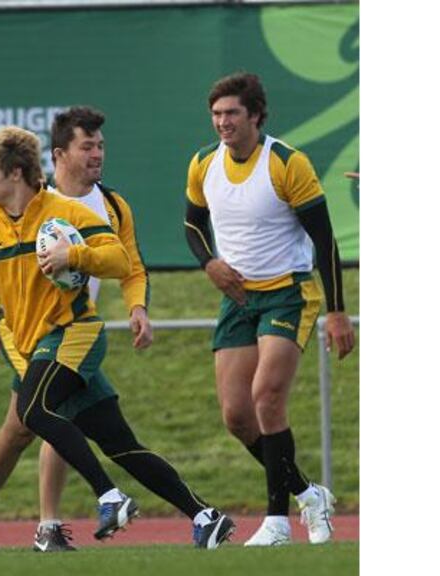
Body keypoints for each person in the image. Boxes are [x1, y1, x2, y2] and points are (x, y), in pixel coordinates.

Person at [0, 108, 234, 552]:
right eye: (86, 146)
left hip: (72, 330)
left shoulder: (110, 205)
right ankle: (14, 520)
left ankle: (194, 515)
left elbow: (129, 264)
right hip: (27, 334)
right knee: (34, 418)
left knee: (52, 421)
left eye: (101, 146)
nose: (97, 154)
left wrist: (138, 308)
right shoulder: (26, 200)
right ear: (58, 154)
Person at [183, 72, 355, 546]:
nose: (223, 122)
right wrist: (210, 263)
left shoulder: (285, 162)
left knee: (266, 398)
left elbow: (324, 239)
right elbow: (192, 225)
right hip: (238, 298)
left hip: (288, 293)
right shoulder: (202, 163)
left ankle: (277, 522)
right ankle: (307, 492)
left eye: (233, 113)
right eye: (217, 114)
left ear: (256, 115)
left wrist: (338, 311)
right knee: (236, 416)